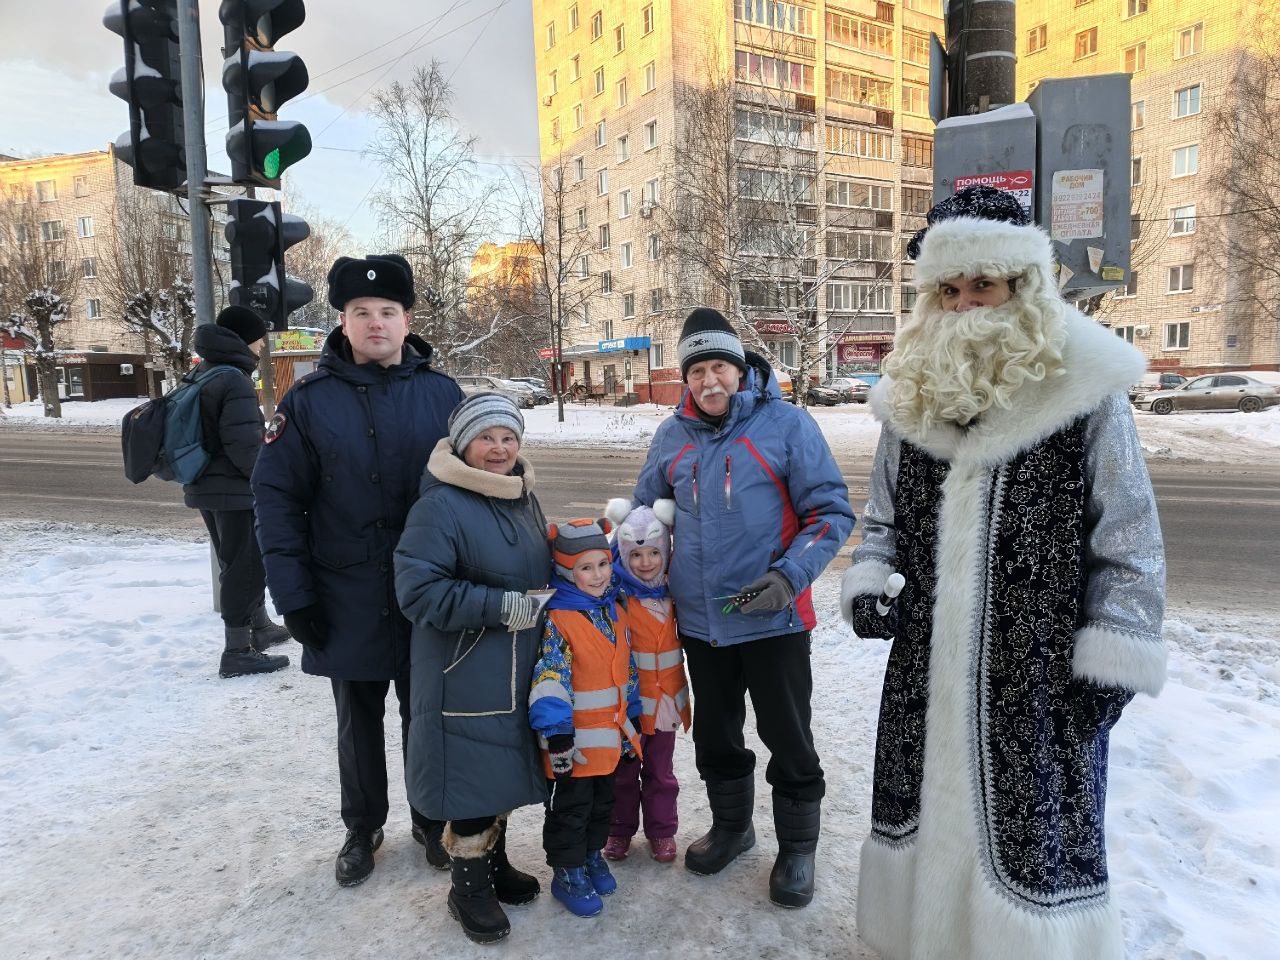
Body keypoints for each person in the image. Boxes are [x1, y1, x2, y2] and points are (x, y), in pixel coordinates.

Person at [838, 185, 1166, 960]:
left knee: (1030, 847)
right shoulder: (909, 397)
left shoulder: (1084, 392)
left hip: (1042, 677)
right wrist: (872, 581)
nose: (963, 306)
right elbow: (881, 523)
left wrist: (1112, 653)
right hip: (925, 669)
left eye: (981, 284)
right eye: (948, 290)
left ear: (1022, 284)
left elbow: (1128, 535)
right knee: (925, 822)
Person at [624, 306, 854, 909]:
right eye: (697, 370)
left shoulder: (786, 425)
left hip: (773, 619)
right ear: (685, 377)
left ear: (741, 368)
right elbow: (647, 519)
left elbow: (830, 513)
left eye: (719, 366)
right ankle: (733, 828)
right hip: (701, 624)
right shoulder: (671, 436)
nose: (709, 381)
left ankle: (797, 849)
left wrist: (788, 576)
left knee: (789, 737)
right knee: (718, 737)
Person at [252, 253, 465, 887]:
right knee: (359, 719)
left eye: (388, 312)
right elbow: (277, 498)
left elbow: (477, 487)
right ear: (342, 322)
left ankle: (432, 820)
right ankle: (362, 825)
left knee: (429, 714)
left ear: (407, 321)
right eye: (361, 312)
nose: (376, 323)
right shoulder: (309, 401)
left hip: (428, 591)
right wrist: (293, 596)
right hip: (344, 591)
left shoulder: (442, 393)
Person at [393, 392, 549, 945]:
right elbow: (417, 592)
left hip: (515, 662)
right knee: (469, 780)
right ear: (463, 444)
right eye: (487, 438)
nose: (499, 448)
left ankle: (494, 866)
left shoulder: (521, 496)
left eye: (508, 438)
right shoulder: (440, 506)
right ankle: (468, 889)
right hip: (463, 666)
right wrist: (497, 605)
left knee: (501, 769)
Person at [528, 518, 642, 918]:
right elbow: (550, 676)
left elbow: (625, 674)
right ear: (565, 571)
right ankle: (567, 871)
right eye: (585, 568)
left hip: (609, 739)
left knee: (602, 805)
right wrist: (556, 732)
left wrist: (634, 724)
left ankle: (592, 856)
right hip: (572, 745)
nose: (598, 575)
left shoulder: (613, 610)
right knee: (571, 811)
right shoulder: (560, 619)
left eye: (603, 564)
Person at [186, 305, 290, 679]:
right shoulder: (234, 379)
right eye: (260, 337)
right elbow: (245, 446)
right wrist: (271, 482)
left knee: (238, 562)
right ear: (247, 338)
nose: (262, 344)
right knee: (243, 567)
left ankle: (259, 627)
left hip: (206, 484)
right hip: (232, 489)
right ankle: (237, 650)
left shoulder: (205, 369)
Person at [601, 499, 689, 864]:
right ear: (623, 555)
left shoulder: (676, 594)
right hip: (628, 706)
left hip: (666, 700)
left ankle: (662, 831)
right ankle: (619, 830)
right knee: (623, 772)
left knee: (660, 772)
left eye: (654, 552)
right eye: (636, 555)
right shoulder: (616, 598)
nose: (646, 562)